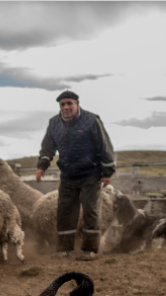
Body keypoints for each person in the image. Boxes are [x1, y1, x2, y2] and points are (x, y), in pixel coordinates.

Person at [34, 90, 116, 259]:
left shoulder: (91, 120)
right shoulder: (54, 123)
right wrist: (42, 166)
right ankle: (64, 249)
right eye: (62, 104)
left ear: (77, 104)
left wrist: (107, 172)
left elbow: (104, 146)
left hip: (90, 174)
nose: (66, 107)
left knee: (91, 211)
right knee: (64, 211)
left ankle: (90, 250)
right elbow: (48, 147)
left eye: (69, 103)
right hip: (68, 176)